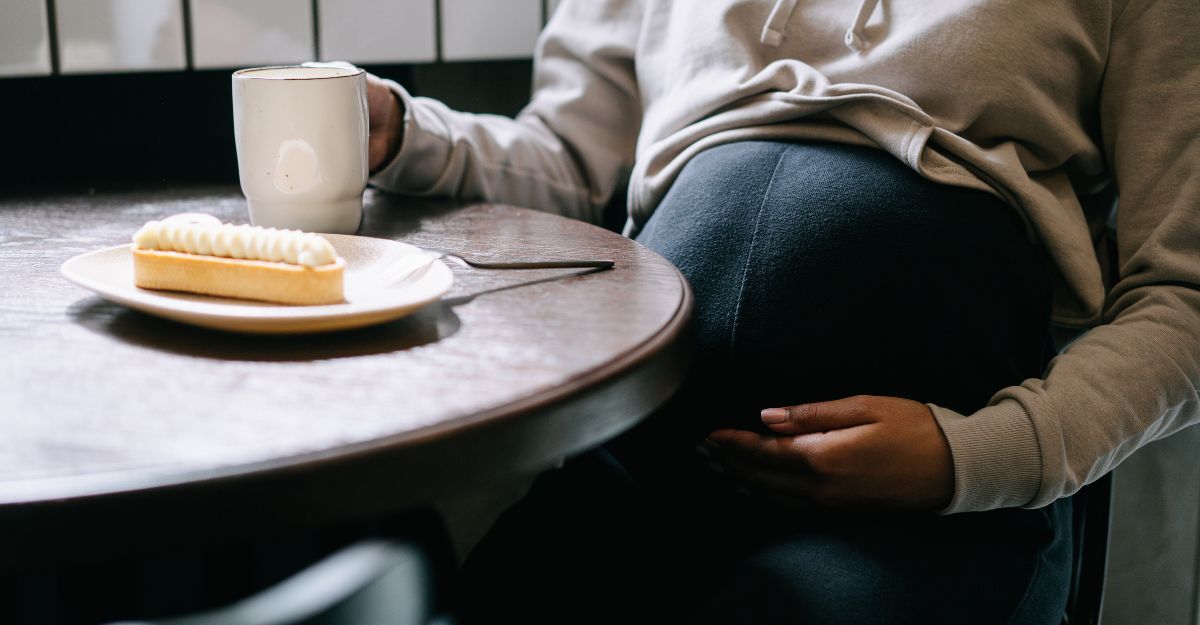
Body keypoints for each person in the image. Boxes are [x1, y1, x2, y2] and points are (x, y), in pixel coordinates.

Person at [363, 1, 1200, 623]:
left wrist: (974, 457)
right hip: (643, 471)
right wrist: (403, 132)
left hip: (927, 516)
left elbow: (1183, 295)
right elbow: (568, 159)